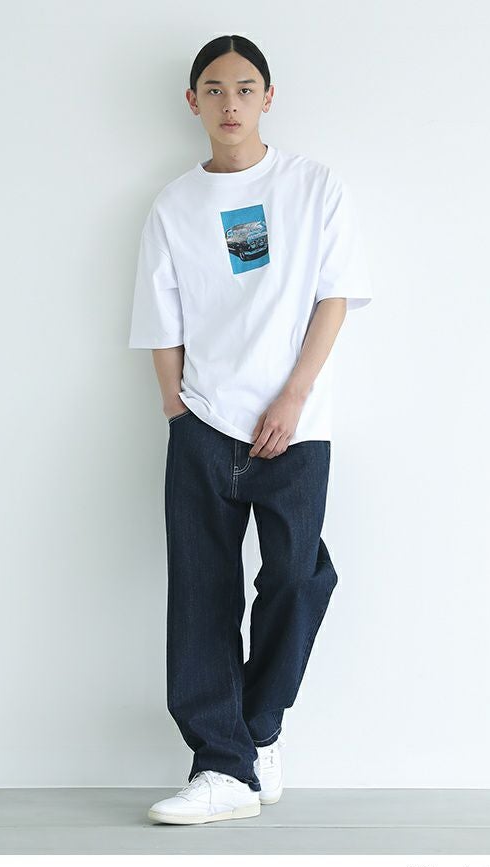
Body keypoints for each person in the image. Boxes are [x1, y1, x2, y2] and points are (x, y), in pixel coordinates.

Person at [128, 34, 374, 825]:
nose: (229, 103)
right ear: (192, 102)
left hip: (295, 426)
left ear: (268, 97)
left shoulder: (313, 186)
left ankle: (256, 731)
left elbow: (334, 297)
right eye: (213, 89)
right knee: (201, 595)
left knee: (298, 578)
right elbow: (160, 319)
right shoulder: (174, 205)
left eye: (243, 88)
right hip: (203, 420)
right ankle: (221, 767)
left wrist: (295, 396)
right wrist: (178, 414)